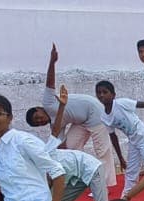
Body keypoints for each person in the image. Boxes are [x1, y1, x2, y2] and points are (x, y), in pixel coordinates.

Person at [39, 86, 116, 201]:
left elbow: (58, 183)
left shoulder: (48, 154)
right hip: (79, 175)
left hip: (93, 169)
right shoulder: (43, 160)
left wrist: (61, 106)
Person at [26, 44, 116, 176]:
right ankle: (82, 175)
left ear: (39, 108)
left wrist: (52, 61)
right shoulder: (54, 126)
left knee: (102, 150)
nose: (40, 121)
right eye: (38, 123)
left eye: (37, 117)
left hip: (94, 112)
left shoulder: (48, 102)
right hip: (80, 122)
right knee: (70, 146)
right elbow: (59, 145)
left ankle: (105, 184)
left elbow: (50, 82)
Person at [93, 79, 144, 201]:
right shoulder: (104, 117)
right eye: (99, 93)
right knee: (130, 173)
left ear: (113, 94)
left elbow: (143, 104)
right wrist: (120, 158)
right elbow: (113, 137)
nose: (102, 95)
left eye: (105, 92)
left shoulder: (121, 103)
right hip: (133, 140)